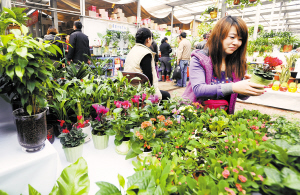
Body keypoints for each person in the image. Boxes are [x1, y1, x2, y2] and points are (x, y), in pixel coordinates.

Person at [182, 16, 265, 114]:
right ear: (219, 35)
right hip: (195, 115)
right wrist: (234, 87)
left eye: (240, 39)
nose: (236, 43)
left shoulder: (238, 62)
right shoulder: (199, 58)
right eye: (232, 37)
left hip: (222, 118)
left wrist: (250, 86)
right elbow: (199, 90)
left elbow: (241, 96)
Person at [124, 28, 170, 101]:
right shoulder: (146, 53)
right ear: (148, 39)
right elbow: (149, 80)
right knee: (167, 95)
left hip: (130, 89)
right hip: (142, 92)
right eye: (151, 38)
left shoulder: (132, 50)